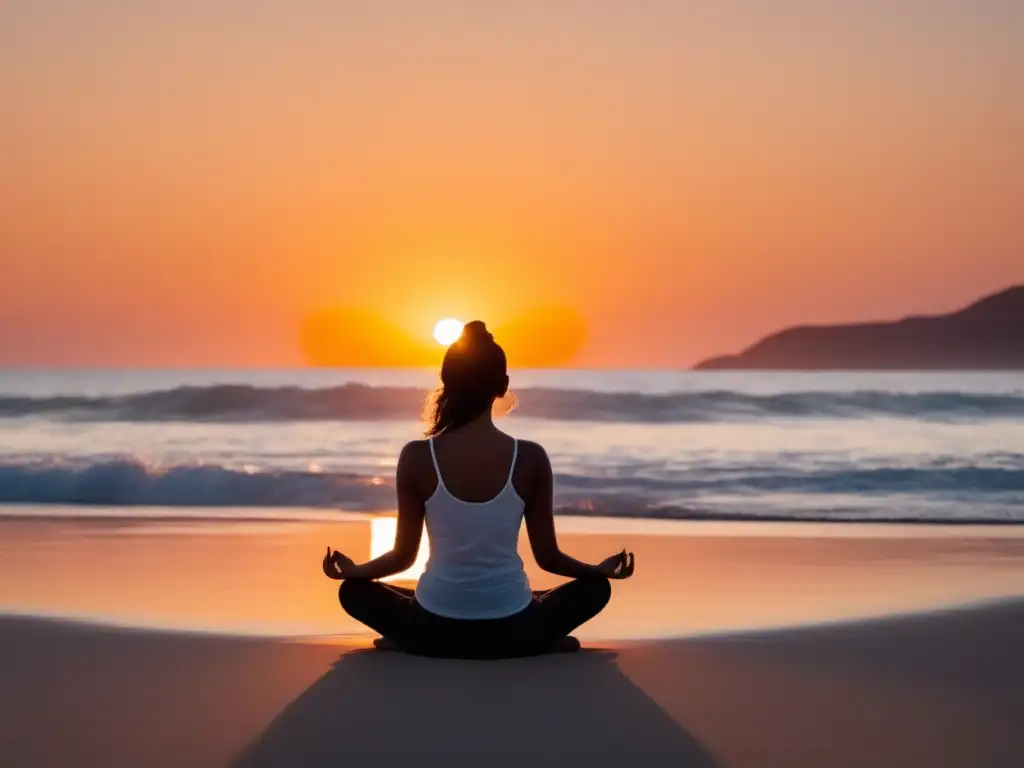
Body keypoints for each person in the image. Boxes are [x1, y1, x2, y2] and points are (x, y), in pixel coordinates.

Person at [322, 320, 635, 659]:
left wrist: (357, 572)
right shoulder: (530, 457)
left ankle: (410, 641)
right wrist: (596, 571)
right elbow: (548, 557)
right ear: (502, 386)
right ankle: (540, 641)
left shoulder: (416, 456)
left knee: (354, 592)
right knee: (594, 590)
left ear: (447, 382)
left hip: (432, 629)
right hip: (515, 629)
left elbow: (403, 556)